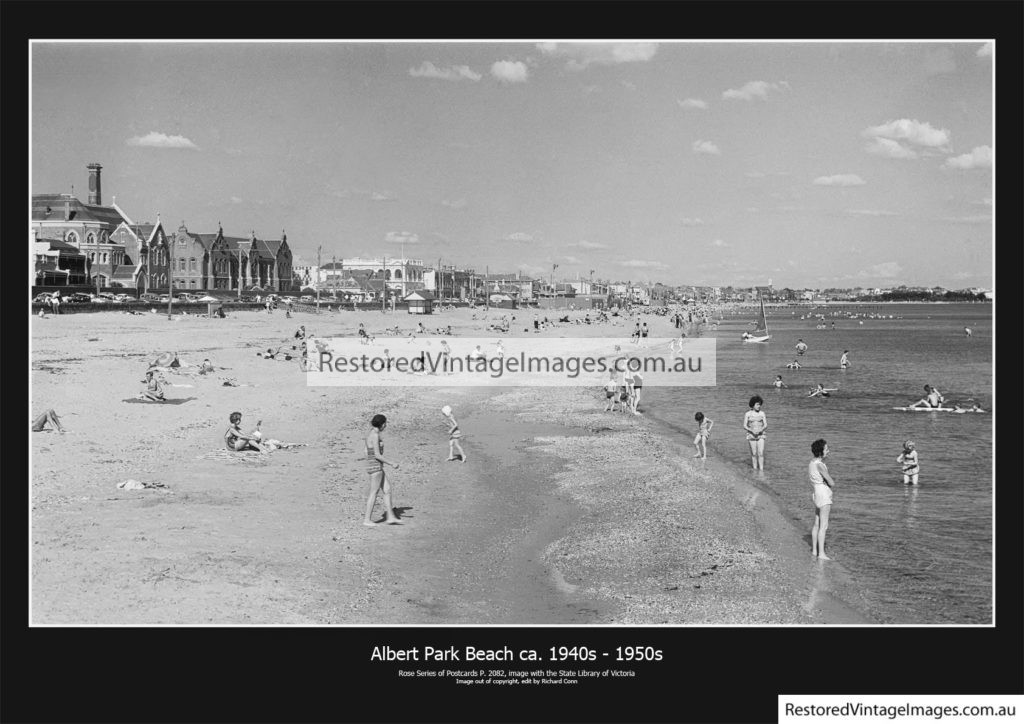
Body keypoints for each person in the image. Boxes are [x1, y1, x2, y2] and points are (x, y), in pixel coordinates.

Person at [363, 414, 402, 526]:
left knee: (387, 489)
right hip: (376, 466)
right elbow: (377, 455)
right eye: (385, 423)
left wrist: (370, 462)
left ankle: (390, 517)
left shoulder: (370, 433)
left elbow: (365, 451)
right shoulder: (375, 435)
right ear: (382, 424)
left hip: (374, 465)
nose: (386, 425)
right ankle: (367, 520)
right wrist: (392, 463)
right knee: (373, 493)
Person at [809, 438, 834, 560]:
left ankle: (814, 550)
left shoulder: (811, 463)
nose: (828, 451)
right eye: (826, 449)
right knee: (823, 526)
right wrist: (830, 482)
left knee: (816, 524)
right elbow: (831, 482)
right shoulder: (820, 465)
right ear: (821, 452)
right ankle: (821, 553)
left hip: (816, 493)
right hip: (823, 493)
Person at [742, 395, 767, 470]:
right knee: (754, 453)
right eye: (757, 404)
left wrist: (761, 429)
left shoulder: (762, 413)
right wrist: (751, 430)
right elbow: (744, 425)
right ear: (753, 405)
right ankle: (755, 469)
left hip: (761, 435)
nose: (759, 406)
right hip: (751, 435)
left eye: (760, 404)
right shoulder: (748, 414)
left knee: (760, 453)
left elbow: (765, 425)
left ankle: (761, 470)